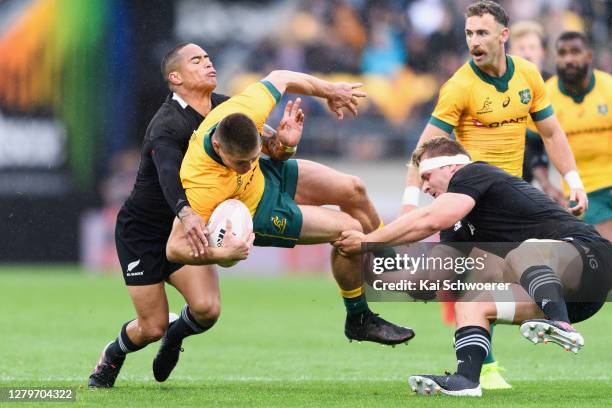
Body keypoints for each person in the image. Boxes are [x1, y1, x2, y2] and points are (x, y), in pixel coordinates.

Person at [164, 70, 415, 383]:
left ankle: (387, 260)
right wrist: (220, 252)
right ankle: (359, 317)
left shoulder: (247, 109)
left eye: (251, 157)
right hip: (260, 210)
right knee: (349, 229)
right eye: (240, 163)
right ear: (216, 145)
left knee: (355, 188)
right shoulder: (202, 184)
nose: (247, 164)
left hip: (269, 177)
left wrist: (326, 94)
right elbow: (174, 248)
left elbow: (281, 76)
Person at [398, 1, 588, 389]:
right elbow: (423, 151)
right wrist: (408, 206)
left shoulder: (529, 77)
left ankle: (484, 368)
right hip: (466, 202)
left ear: (504, 36)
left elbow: (551, 133)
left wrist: (573, 180)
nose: (474, 41)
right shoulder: (459, 87)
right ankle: (495, 357)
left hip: (509, 201)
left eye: (482, 33)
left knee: (492, 278)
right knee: (435, 283)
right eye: (469, 33)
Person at [336, 137, 612, 397]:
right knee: (470, 305)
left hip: (590, 259)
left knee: (522, 252)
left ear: (451, 166)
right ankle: (466, 380)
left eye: (426, 177)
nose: (425, 188)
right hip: (570, 298)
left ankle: (559, 323)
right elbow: (427, 280)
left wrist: (369, 240)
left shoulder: (473, 173)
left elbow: (428, 221)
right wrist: (369, 268)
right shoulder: (457, 226)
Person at [88, 43, 260, 388]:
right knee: (150, 326)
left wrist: (285, 143)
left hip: (184, 228)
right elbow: (168, 172)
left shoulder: (225, 111)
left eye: (209, 58)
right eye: (197, 60)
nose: (209, 63)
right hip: (145, 232)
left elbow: (261, 143)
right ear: (175, 78)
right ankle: (114, 354)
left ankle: (175, 336)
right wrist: (185, 213)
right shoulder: (166, 124)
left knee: (207, 311)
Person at [537, 31, 612, 241]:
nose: (568, 59)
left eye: (575, 52)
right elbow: (532, 143)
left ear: (588, 55)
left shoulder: (608, 87)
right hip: (584, 189)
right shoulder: (546, 96)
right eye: (562, 53)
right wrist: (546, 184)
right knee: (606, 241)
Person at [508, 21, 554, 188]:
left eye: (532, 47)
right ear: (510, 52)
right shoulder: (501, 90)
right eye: (521, 48)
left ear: (543, 52)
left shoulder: (557, 85)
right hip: (522, 169)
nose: (527, 54)